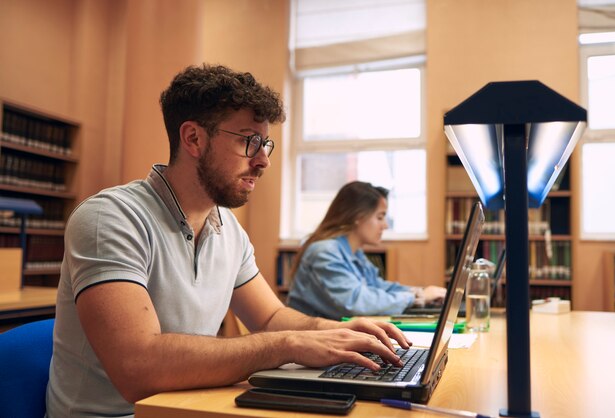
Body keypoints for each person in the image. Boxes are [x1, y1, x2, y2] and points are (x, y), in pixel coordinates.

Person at [45, 64, 411, 418]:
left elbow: (269, 317)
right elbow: (138, 367)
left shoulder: (228, 229)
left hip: (187, 408)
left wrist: (339, 332)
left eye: (264, 143)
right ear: (193, 138)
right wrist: (288, 344)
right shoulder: (110, 218)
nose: (264, 161)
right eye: (250, 142)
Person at [287, 181, 446, 320]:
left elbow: (378, 287)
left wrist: (423, 293)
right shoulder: (324, 252)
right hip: (309, 343)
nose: (385, 225)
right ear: (358, 216)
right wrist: (417, 297)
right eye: (380, 217)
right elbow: (356, 302)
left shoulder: (354, 252)